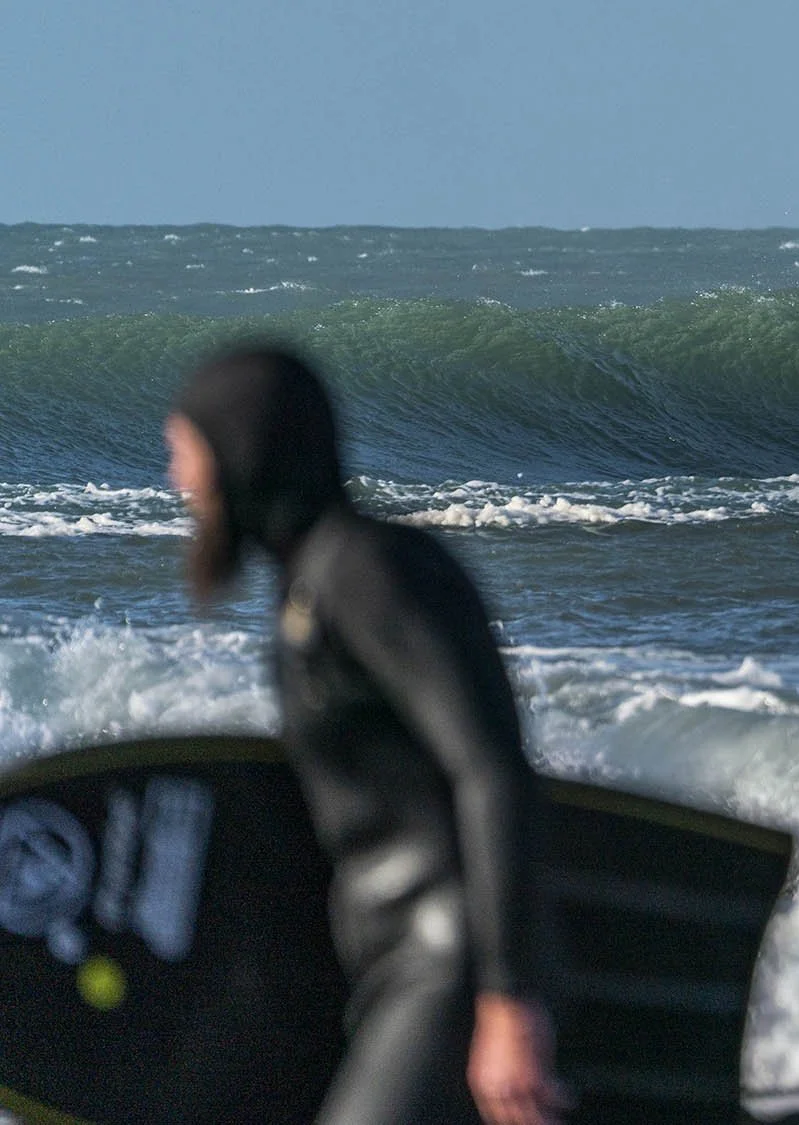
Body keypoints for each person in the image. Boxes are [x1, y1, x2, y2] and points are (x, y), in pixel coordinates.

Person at [164, 346, 570, 1125]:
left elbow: (490, 769)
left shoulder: (370, 571)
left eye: (186, 452)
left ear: (242, 454)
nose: (179, 481)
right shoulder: (311, 588)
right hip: (394, 970)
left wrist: (507, 1000)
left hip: (450, 967)